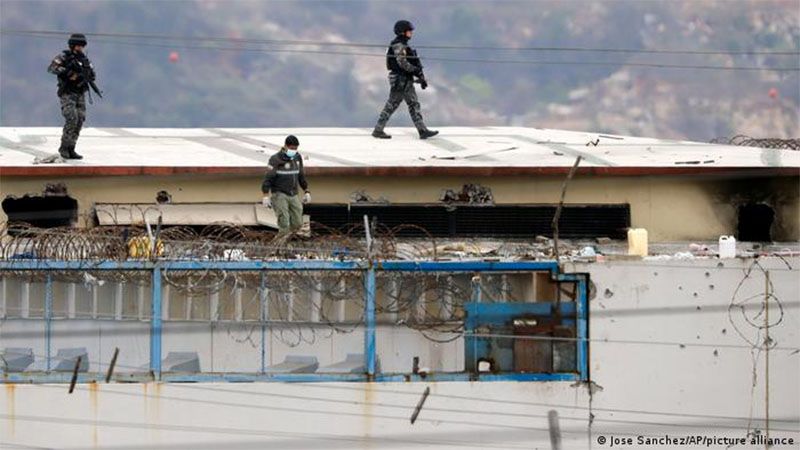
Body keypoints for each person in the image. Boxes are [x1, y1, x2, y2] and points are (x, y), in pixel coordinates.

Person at [372, 20, 438, 140]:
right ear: (402, 32)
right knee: (393, 104)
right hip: (400, 79)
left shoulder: (403, 44)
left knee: (412, 104)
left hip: (404, 79)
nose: (411, 33)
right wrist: (415, 70)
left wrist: (419, 76)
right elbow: (402, 63)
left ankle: (422, 130)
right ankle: (378, 129)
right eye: (409, 31)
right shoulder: (399, 45)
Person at [47, 33, 100, 160]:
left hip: (80, 93)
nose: (80, 48)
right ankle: (64, 148)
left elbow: (92, 74)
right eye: (78, 46)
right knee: (72, 118)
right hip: (67, 93)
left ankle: (71, 148)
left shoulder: (85, 60)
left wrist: (86, 76)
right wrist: (68, 73)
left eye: (82, 46)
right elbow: (52, 68)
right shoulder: (64, 57)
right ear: (72, 46)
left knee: (80, 120)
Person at [261, 135, 311, 234]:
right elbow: (268, 178)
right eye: (292, 148)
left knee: (297, 223)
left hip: (293, 193)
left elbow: (301, 175)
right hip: (279, 194)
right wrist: (265, 195)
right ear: (285, 146)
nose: (294, 151)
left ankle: (286, 240)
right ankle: (279, 247)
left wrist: (306, 191)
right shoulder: (275, 159)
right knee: (284, 222)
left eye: (296, 149)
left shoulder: (297, 158)